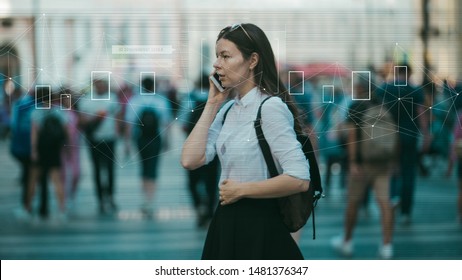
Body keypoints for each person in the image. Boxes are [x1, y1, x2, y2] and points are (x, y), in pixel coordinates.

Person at [181, 23, 310, 260]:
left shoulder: (270, 107)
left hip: (259, 223)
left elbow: (300, 178)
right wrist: (212, 103)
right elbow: (190, 159)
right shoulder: (229, 108)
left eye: (226, 56)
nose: (217, 63)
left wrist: (242, 190)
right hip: (226, 220)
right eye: (217, 56)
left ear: (252, 61)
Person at [331, 76, 396, 259]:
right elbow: (394, 136)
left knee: (353, 203)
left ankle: (347, 241)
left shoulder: (356, 107)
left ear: (360, 88)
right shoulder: (384, 106)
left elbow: (352, 137)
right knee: (384, 204)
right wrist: (393, 161)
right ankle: (387, 245)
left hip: (362, 164)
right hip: (382, 162)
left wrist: (352, 162)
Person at [375, 63, 429, 225]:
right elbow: (421, 115)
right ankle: (405, 211)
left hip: (389, 136)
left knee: (390, 170)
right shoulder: (416, 90)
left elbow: (379, 112)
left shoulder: (384, 88)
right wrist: (426, 135)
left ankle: (391, 202)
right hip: (410, 136)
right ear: (410, 73)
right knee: (408, 172)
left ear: (395, 72)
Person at [124, 77, 172, 217]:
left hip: (140, 139)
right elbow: (166, 123)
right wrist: (167, 141)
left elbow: (129, 123)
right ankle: (151, 199)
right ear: (154, 86)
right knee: (153, 167)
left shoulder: (135, 100)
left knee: (143, 167)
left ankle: (145, 198)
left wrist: (127, 143)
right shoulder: (160, 100)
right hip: (155, 139)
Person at [181, 74, 220, 228]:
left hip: (194, 147)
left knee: (192, 181)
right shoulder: (219, 101)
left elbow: (183, 124)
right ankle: (210, 211)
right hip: (213, 147)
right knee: (211, 181)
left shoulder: (189, 99)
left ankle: (199, 207)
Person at [79, 79, 121, 215]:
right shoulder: (86, 100)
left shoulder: (113, 98)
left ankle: (110, 196)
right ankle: (100, 200)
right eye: (99, 84)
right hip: (94, 140)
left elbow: (119, 116)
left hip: (110, 139)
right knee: (96, 170)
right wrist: (95, 118)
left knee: (110, 169)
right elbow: (82, 119)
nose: (101, 87)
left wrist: (119, 132)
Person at [27, 89, 68, 221]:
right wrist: (66, 148)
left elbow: (34, 133)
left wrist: (33, 151)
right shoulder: (60, 111)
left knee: (33, 179)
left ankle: (27, 208)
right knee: (56, 180)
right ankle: (62, 210)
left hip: (41, 149)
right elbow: (65, 131)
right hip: (54, 150)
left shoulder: (36, 112)